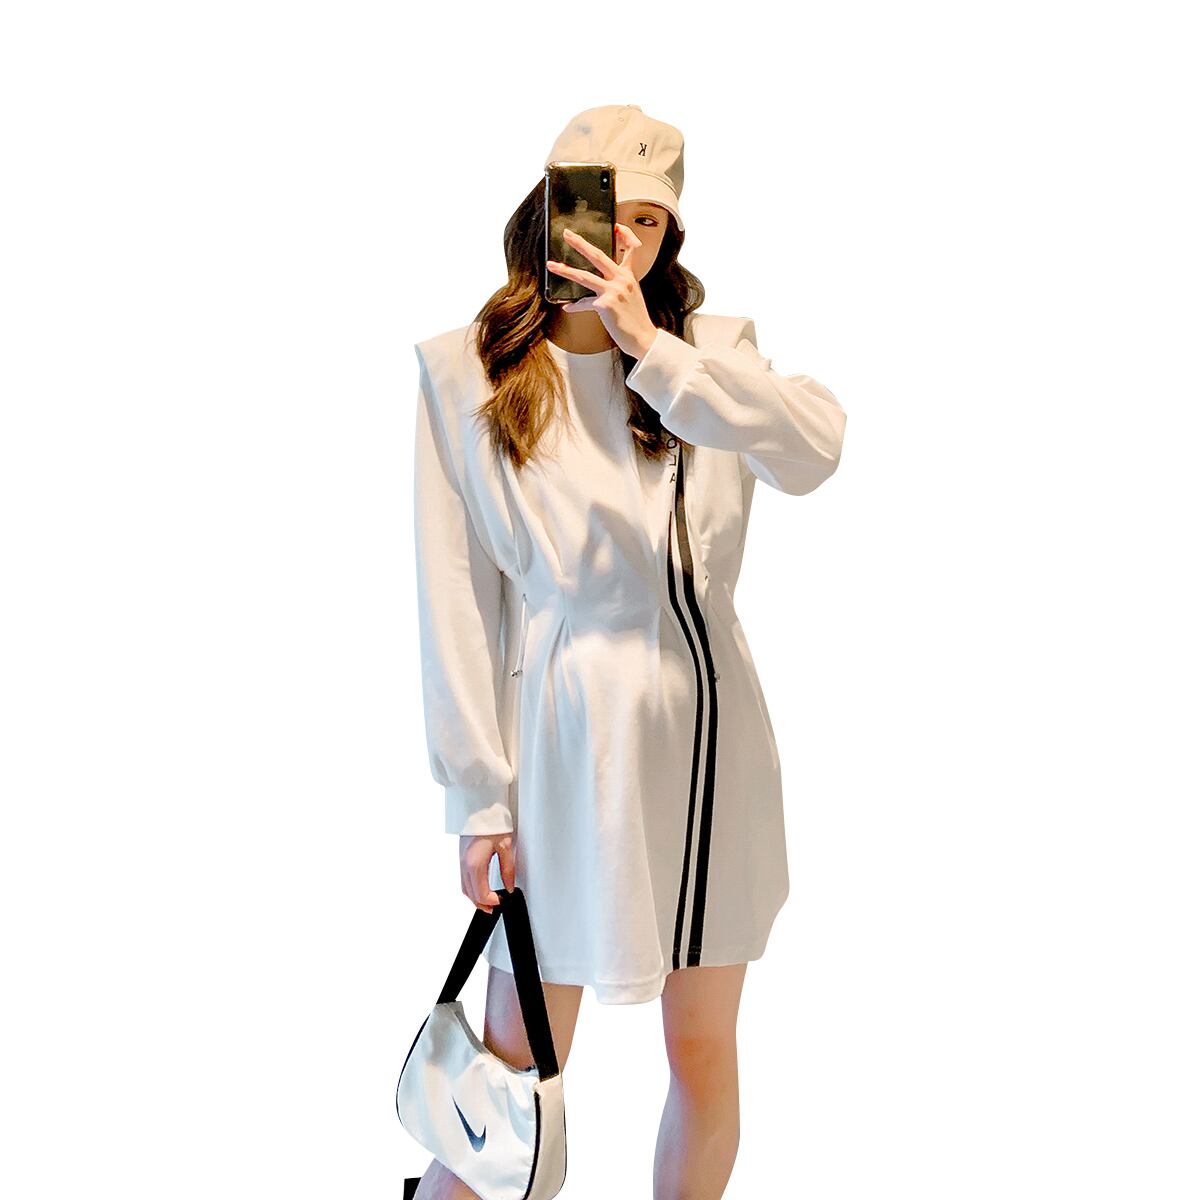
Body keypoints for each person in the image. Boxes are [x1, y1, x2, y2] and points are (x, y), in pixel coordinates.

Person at [409, 104, 847, 1200]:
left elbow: (815, 450)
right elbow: (456, 600)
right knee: (515, 1063)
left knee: (701, 1048)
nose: (625, 241)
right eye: (603, 211)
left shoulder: (712, 355)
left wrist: (654, 351)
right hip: (564, 740)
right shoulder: (467, 373)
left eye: (649, 220)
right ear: (549, 212)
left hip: (709, 739)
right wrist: (478, 798)